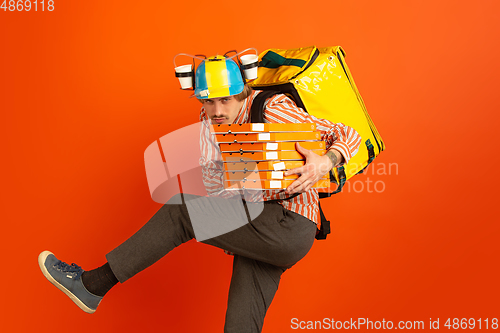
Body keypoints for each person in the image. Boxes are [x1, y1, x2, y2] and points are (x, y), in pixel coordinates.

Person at [38, 53, 361, 333]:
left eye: (225, 100)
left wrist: (324, 162)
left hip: (289, 223)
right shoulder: (209, 123)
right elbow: (217, 183)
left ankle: (92, 285)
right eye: (208, 100)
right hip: (261, 222)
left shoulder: (273, 107)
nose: (217, 110)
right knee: (242, 322)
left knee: (183, 211)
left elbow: (347, 133)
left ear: (242, 93)